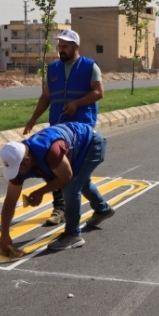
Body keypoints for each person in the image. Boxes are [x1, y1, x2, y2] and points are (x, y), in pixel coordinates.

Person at [23, 29, 112, 226]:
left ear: (75, 47)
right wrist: (33, 119)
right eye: (59, 46)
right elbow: (46, 96)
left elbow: (99, 92)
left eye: (65, 47)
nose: (60, 50)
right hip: (58, 127)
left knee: (69, 174)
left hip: (81, 129)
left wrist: (77, 104)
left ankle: (66, 213)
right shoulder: (53, 68)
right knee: (69, 173)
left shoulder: (89, 66)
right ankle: (95, 207)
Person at [0, 122, 115, 256]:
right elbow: (10, 201)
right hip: (71, 147)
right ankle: (103, 210)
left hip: (91, 143)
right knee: (80, 182)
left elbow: (66, 176)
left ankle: (73, 234)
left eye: (18, 168)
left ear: (28, 159)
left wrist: (40, 192)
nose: (17, 173)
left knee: (70, 188)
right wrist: (4, 234)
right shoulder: (18, 163)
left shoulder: (49, 151)